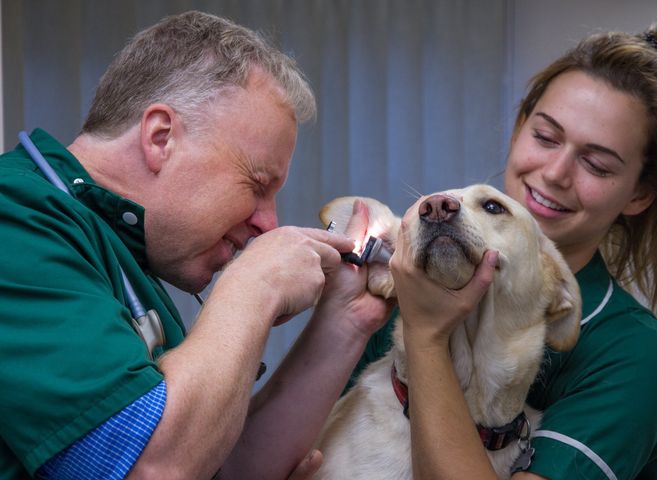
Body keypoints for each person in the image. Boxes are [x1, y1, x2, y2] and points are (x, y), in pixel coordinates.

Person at [0, 11, 391, 480]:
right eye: (257, 183)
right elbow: (155, 467)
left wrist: (346, 321)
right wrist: (254, 285)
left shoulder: (129, 253)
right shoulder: (16, 215)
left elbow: (219, 466)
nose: (268, 223)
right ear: (160, 138)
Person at [355, 16, 657, 479]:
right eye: (544, 136)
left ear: (639, 194)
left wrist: (425, 337)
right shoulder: (415, 272)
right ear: (518, 128)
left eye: (597, 164)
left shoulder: (636, 360)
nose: (555, 173)